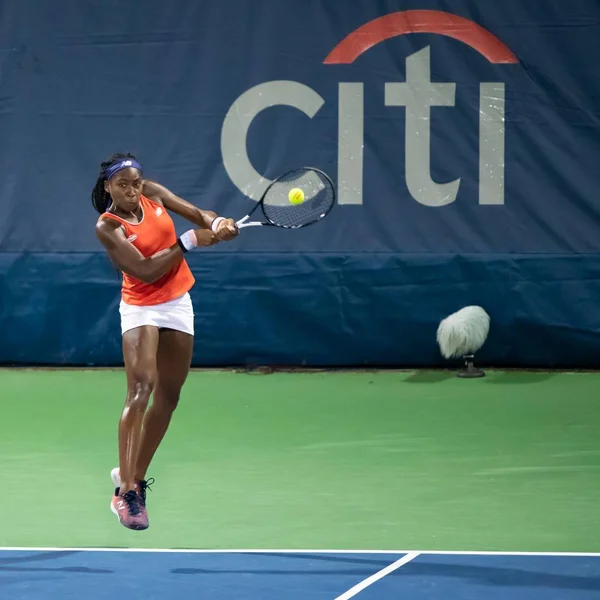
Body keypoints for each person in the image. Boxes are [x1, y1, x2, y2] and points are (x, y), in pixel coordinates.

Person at [92, 152, 238, 530]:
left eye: (135, 183)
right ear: (108, 186)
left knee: (169, 397)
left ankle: (135, 480)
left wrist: (217, 221)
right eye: (122, 185)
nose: (131, 190)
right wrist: (189, 242)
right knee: (141, 389)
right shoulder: (108, 227)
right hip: (141, 307)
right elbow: (143, 270)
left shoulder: (152, 194)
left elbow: (195, 212)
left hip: (177, 302)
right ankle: (125, 494)